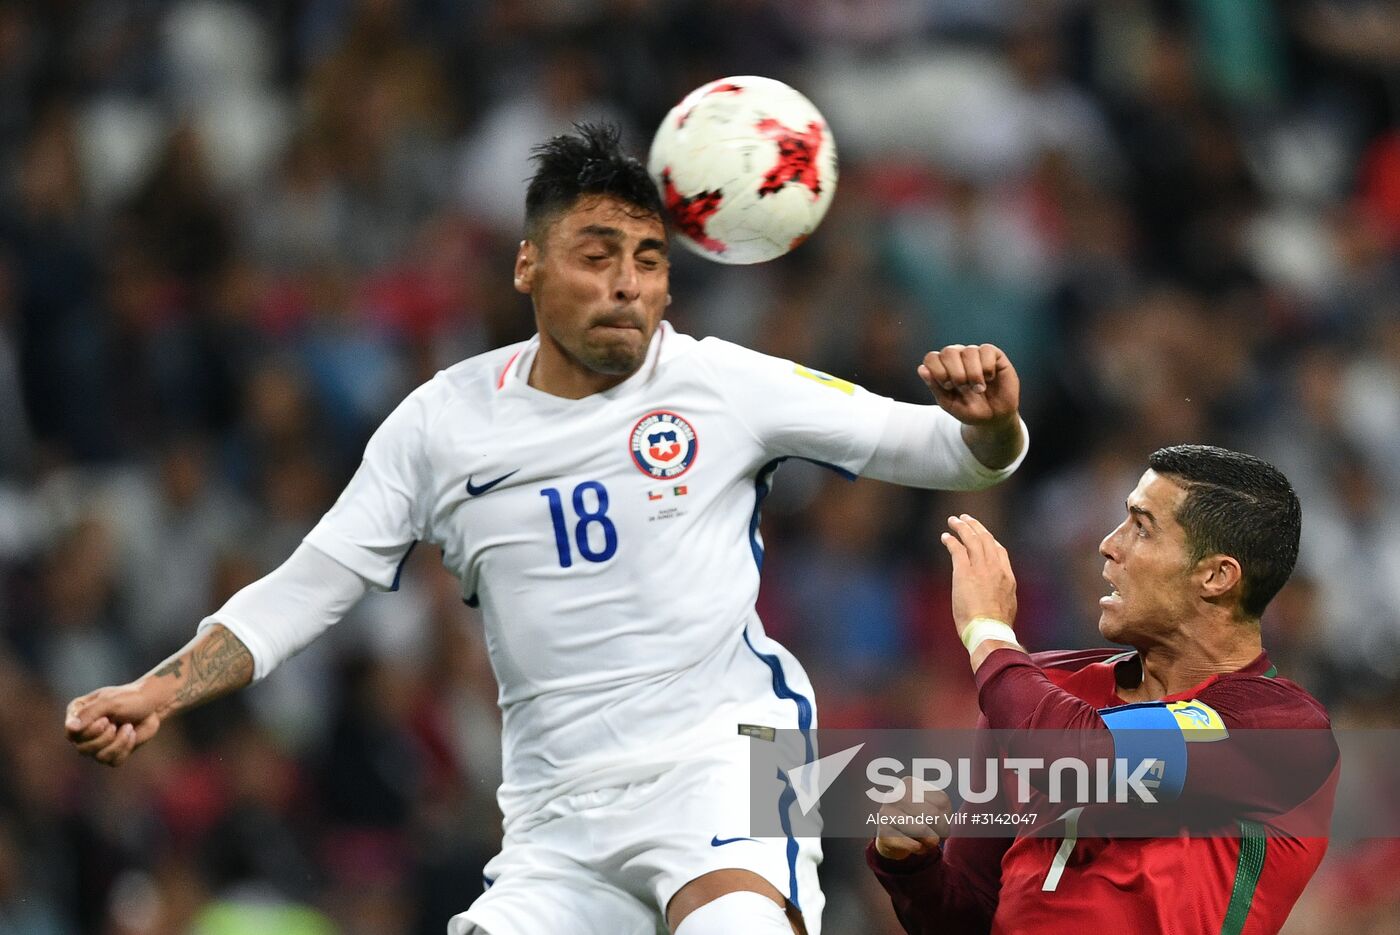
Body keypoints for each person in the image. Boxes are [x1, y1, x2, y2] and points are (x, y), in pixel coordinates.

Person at [63, 122, 1029, 935]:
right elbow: (311, 585)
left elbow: (947, 452)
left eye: (649, 261)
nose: (628, 284)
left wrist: (990, 422)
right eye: (597, 254)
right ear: (528, 263)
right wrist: (160, 688)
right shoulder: (443, 422)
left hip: (729, 764)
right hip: (555, 815)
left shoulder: (722, 383)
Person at [867, 444, 1338, 934]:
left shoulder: (1280, 727)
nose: (1109, 544)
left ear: (1216, 576)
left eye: (1141, 527)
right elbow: (971, 912)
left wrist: (988, 632)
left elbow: (1083, 756)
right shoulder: (1038, 687)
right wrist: (912, 864)